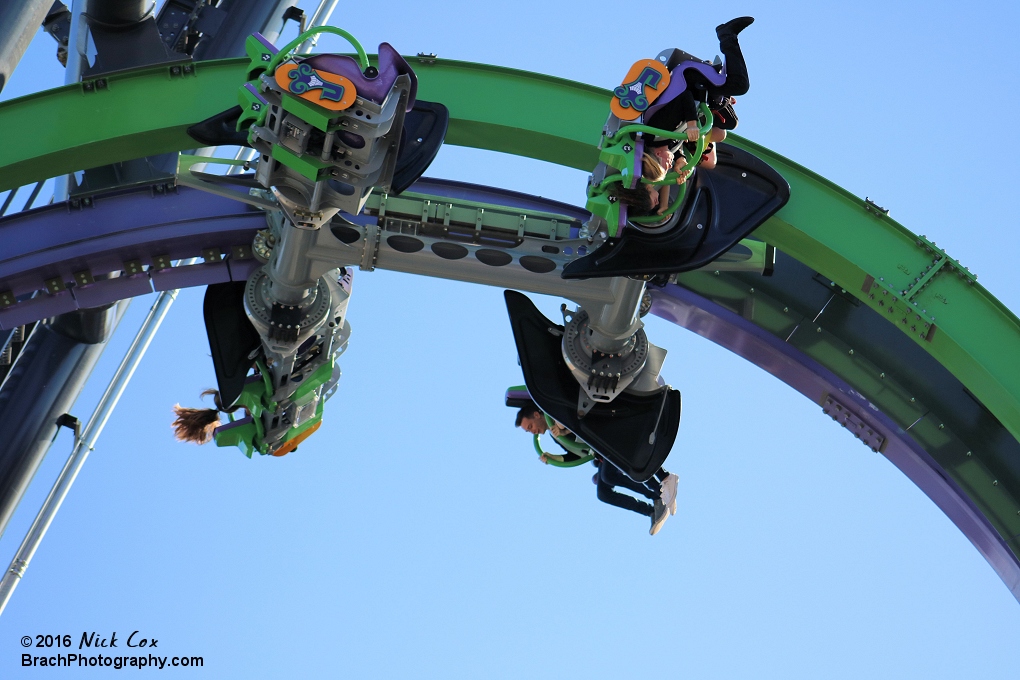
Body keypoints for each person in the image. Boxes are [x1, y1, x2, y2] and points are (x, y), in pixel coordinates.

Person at [515, 403, 680, 535]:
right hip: (600, 454)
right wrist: (553, 457)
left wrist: (565, 429)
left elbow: (578, 417)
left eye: (529, 427)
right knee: (603, 493)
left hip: (606, 438)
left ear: (536, 415)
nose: (531, 432)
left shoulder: (554, 412)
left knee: (609, 476)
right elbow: (576, 453)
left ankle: (657, 495)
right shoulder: (553, 433)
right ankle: (651, 510)